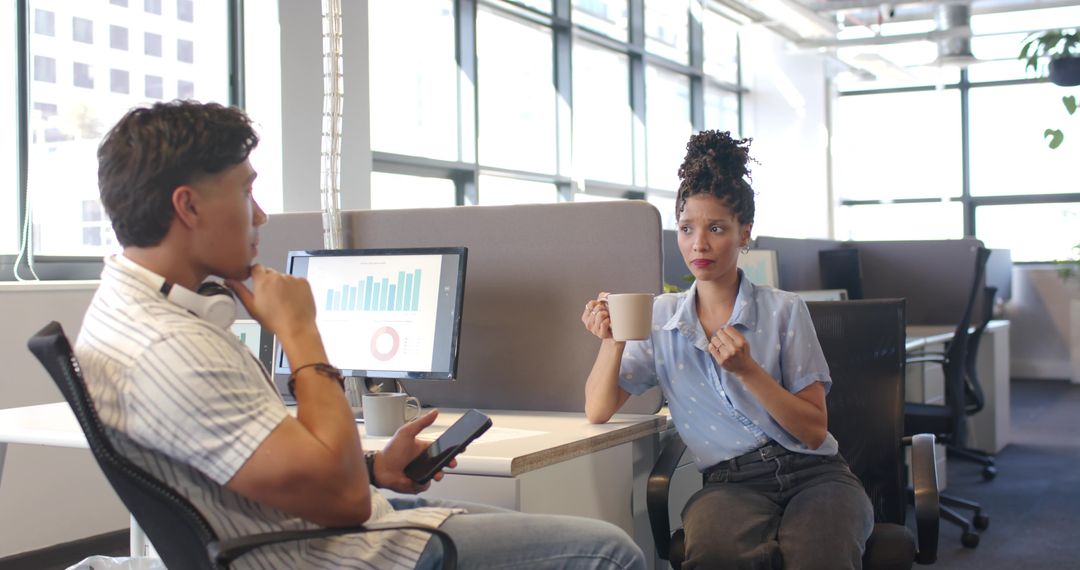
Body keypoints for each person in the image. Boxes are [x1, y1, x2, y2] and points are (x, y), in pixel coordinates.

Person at [77, 100, 646, 570]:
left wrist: (372, 469)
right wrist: (300, 328)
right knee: (608, 550)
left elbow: (260, 467)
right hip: (326, 552)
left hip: (306, 526)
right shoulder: (174, 348)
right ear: (189, 205)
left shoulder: (129, 310)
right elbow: (346, 502)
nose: (261, 215)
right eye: (245, 191)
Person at [581, 131, 873, 570]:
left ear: (744, 234)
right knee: (716, 555)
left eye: (716, 228)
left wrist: (747, 370)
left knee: (818, 557)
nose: (699, 244)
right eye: (686, 229)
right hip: (728, 483)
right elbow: (598, 409)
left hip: (815, 474)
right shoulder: (660, 319)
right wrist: (613, 341)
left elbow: (813, 431)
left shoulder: (783, 311)